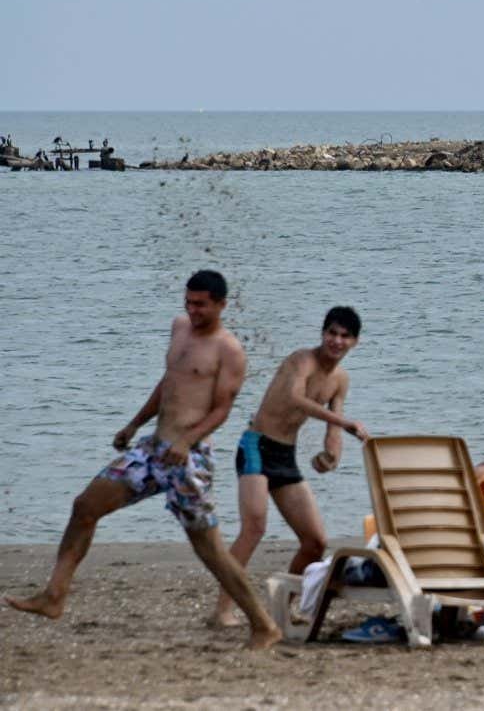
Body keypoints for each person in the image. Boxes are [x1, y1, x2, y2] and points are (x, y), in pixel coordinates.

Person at [5, 270, 282, 650]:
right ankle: (54, 596)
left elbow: (221, 409)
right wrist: (134, 424)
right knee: (85, 506)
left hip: (189, 458)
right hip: (152, 450)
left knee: (209, 549)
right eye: (189, 301)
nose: (193, 309)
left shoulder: (229, 350)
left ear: (221, 304)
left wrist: (187, 440)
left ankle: (264, 625)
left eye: (201, 304)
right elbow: (169, 383)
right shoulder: (180, 328)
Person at [212, 306, 369, 627]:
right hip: (256, 446)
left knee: (315, 542)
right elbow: (296, 399)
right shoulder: (302, 360)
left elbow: (334, 427)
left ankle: (284, 607)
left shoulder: (340, 379)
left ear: (355, 342)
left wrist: (331, 455)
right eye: (332, 333)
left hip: (285, 456)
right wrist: (344, 422)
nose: (336, 341)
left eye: (344, 336)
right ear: (322, 333)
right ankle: (222, 611)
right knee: (254, 528)